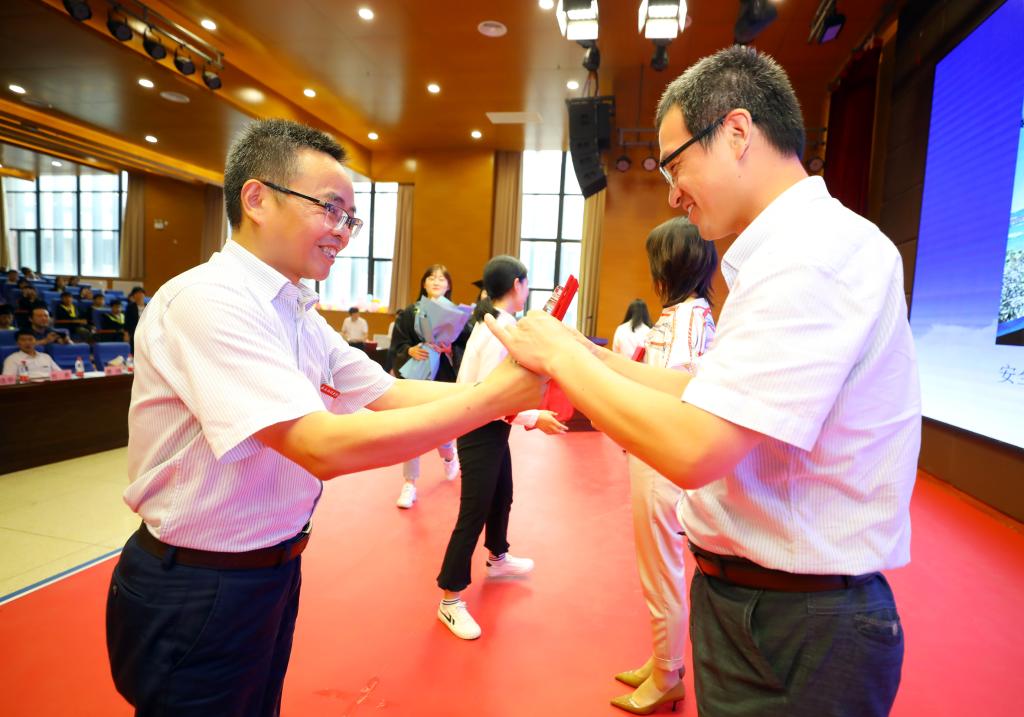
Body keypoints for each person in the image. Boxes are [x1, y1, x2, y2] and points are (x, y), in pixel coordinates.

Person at [486, 46, 920, 717]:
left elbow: (696, 448)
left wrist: (567, 362)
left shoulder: (813, 254)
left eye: (675, 163)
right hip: (759, 603)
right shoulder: (784, 254)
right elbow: (700, 392)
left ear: (737, 132)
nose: (672, 191)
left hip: (797, 621)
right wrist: (578, 351)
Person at [104, 118, 543, 717]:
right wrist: (494, 399)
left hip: (270, 569)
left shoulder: (297, 311)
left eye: (350, 219)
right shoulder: (207, 301)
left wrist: (503, 396)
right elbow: (319, 445)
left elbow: (387, 392)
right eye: (330, 209)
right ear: (256, 198)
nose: (343, 231)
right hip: (199, 582)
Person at [612, 217, 718, 714]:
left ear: (670, 266)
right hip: (650, 450)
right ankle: (663, 660)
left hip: (660, 455)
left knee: (661, 566)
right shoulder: (683, 314)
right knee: (656, 564)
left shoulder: (688, 318)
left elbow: (677, 392)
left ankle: (667, 673)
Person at [436, 255, 568, 640]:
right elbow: (493, 398)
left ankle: (498, 556)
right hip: (478, 426)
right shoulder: (500, 330)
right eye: (527, 283)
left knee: (502, 495)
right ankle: (449, 598)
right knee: (474, 512)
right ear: (517, 285)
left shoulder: (498, 322)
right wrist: (534, 417)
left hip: (490, 426)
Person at [390, 264, 471, 509]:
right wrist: (409, 351)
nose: (436, 282)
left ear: (448, 285)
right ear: (424, 283)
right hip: (416, 377)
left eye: (441, 278)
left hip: (442, 378)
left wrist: (450, 350)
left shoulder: (457, 315)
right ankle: (409, 483)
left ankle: (448, 455)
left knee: (440, 428)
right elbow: (397, 344)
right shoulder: (410, 312)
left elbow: (467, 347)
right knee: (412, 430)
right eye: (431, 278)